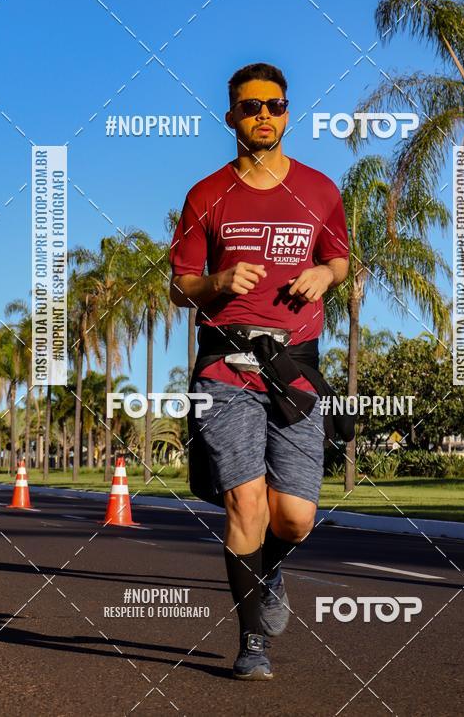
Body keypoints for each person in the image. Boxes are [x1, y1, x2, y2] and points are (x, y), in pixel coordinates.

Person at [169, 62, 350, 680]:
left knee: (293, 518)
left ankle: (268, 571)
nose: (263, 115)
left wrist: (325, 274)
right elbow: (180, 286)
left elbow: (340, 258)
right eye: (250, 107)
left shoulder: (321, 190)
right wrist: (217, 282)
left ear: (288, 112)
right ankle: (253, 643)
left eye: (273, 105)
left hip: (295, 366)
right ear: (231, 118)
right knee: (245, 504)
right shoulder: (206, 195)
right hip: (225, 365)